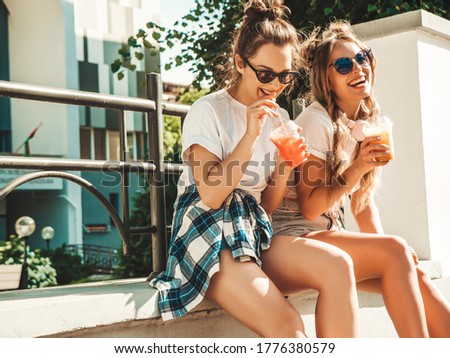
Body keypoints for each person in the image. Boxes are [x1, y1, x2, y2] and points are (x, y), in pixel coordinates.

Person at [150, 1, 362, 338]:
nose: (275, 85)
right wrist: (249, 135)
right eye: (265, 74)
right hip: (210, 230)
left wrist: (283, 165)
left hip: (253, 230)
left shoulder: (280, 118)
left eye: (285, 76)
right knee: (288, 326)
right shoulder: (208, 111)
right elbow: (211, 193)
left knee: (339, 266)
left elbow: (266, 207)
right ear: (239, 63)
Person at [271, 19, 450, 337]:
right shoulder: (316, 122)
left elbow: (362, 203)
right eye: (342, 64)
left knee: (413, 270)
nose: (357, 68)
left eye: (361, 57)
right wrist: (358, 167)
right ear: (326, 78)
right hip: (291, 240)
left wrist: (391, 252)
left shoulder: (362, 122)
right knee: (396, 252)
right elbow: (311, 208)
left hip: (324, 237)